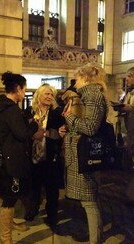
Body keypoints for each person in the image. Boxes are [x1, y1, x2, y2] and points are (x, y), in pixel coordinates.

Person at [59, 63, 107, 244]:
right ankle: (97, 234)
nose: (75, 82)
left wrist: (69, 117)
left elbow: (90, 127)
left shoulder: (93, 96)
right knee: (91, 198)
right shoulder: (87, 95)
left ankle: (95, 239)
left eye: (77, 78)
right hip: (82, 154)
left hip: (85, 156)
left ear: (86, 78)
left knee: (89, 200)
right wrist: (67, 127)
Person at [0, 71, 44, 243]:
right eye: (24, 89)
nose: (24, 93)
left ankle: (9, 224)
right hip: (12, 161)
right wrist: (35, 124)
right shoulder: (11, 109)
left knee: (7, 194)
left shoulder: (4, 106)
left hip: (8, 158)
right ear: (17, 88)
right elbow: (22, 134)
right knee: (9, 197)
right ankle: (5, 237)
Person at [23, 83, 65, 228]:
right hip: (33, 154)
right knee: (33, 185)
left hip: (50, 154)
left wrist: (46, 133)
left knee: (51, 187)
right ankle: (32, 209)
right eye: (47, 93)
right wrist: (32, 134)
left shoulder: (57, 112)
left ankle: (52, 214)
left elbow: (61, 133)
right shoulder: (29, 111)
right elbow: (23, 131)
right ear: (39, 95)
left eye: (52, 94)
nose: (49, 97)